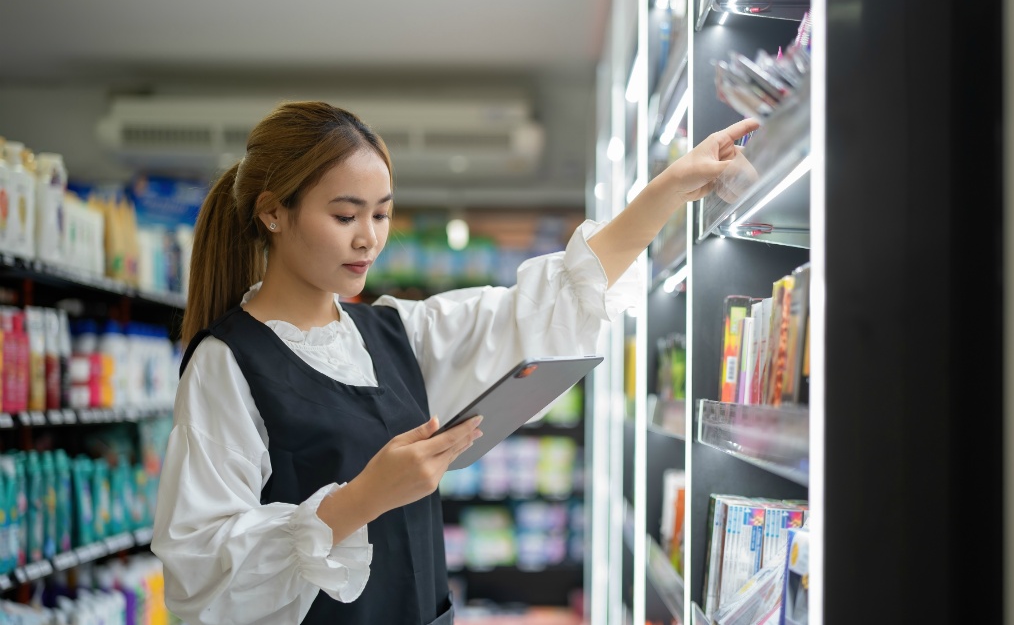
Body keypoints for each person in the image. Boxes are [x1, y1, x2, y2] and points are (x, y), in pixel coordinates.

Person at [150, 100, 758, 625]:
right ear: (272, 213)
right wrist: (360, 499)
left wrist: (668, 188)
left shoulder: (394, 332)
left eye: (381, 213)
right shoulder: (227, 363)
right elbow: (200, 569)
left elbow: (536, 307)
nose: (369, 238)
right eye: (345, 215)